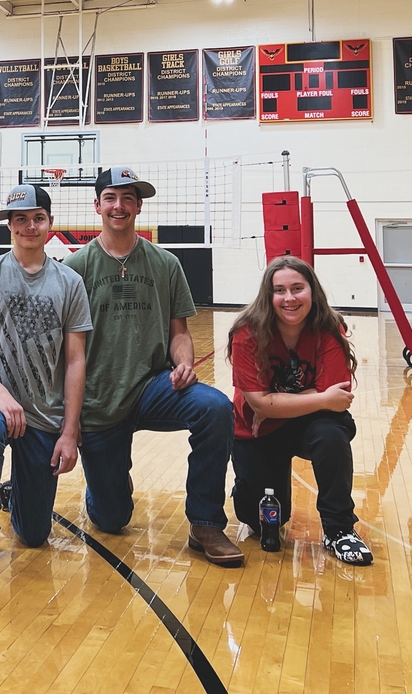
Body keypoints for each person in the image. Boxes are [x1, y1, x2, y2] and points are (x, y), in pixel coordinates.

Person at [64, 167, 242, 567]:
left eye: (128, 198)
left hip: (153, 386)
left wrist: (184, 365)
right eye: (111, 197)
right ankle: (107, 481)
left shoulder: (165, 263)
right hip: (98, 399)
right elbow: (66, 348)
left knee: (215, 409)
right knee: (112, 520)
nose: (119, 206)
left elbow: (179, 332)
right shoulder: (75, 268)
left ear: (139, 206)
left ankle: (206, 524)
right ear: (97, 206)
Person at [0, 183, 91, 569]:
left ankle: (14, 493)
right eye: (21, 219)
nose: (30, 226)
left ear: (50, 223)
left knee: (33, 536)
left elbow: (76, 361)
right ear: (9, 224)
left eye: (37, 218)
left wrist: (69, 431)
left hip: (43, 410)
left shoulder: (70, 283)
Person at [227, 255, 372, 565]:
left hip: (309, 425)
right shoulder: (247, 332)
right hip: (256, 431)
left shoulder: (330, 327)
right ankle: (245, 484)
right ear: (268, 296)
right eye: (279, 290)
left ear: (312, 291)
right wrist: (317, 397)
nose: (289, 298)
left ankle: (339, 530)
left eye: (297, 288)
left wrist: (274, 402)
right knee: (261, 521)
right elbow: (259, 403)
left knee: (331, 433)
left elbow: (338, 397)